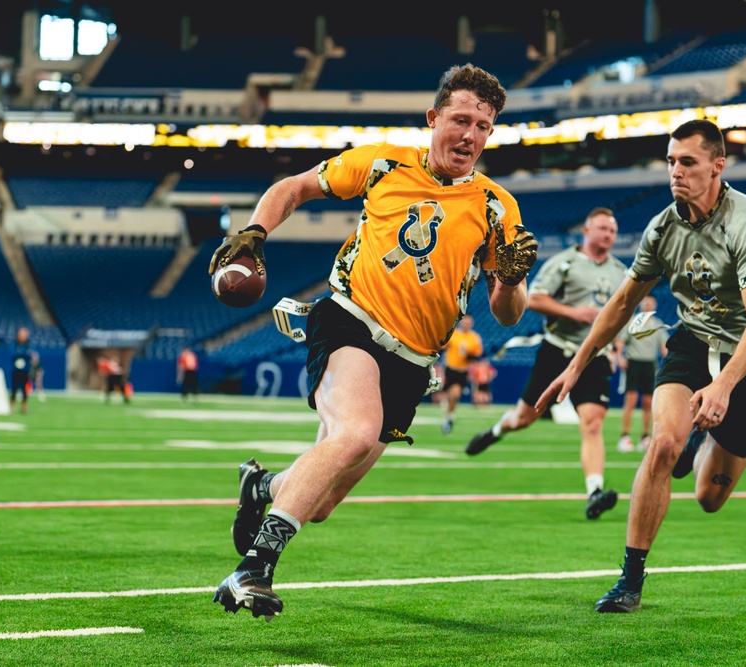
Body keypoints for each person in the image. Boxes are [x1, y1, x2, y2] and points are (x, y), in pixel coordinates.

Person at [208, 64, 537, 621]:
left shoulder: (497, 206)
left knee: (324, 502)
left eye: (483, 126)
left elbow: (508, 313)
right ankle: (254, 567)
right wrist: (255, 233)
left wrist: (508, 278)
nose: (470, 135)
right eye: (460, 119)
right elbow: (295, 187)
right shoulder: (383, 161)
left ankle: (260, 485)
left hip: (414, 361)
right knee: (356, 432)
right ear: (433, 118)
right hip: (351, 320)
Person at [537, 119, 746, 613]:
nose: (676, 171)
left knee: (708, 498)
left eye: (689, 162)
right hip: (693, 343)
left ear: (717, 167)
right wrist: (576, 364)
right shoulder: (662, 227)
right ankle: (630, 581)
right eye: (671, 161)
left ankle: (705, 439)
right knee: (662, 445)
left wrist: (724, 384)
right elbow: (620, 304)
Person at [466, 206, 626, 520]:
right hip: (556, 350)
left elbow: (621, 312)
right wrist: (573, 312)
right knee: (525, 418)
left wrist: (618, 345)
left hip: (593, 356)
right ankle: (498, 429)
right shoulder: (564, 262)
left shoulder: (620, 271)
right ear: (587, 231)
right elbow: (535, 299)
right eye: (603, 229)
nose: (608, 235)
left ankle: (594, 491)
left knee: (592, 423)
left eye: (612, 231)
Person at [615, 295, 668, 453]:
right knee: (630, 400)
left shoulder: (657, 325)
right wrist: (620, 357)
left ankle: (645, 436)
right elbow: (620, 341)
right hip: (633, 363)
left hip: (649, 364)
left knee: (648, 402)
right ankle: (625, 436)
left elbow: (664, 348)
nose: (647, 304)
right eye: (645, 301)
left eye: (651, 302)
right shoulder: (632, 322)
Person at [440, 314, 483, 433]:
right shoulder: (453, 334)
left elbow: (477, 355)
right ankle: (449, 415)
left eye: (469, 322)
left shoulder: (474, 338)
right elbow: (443, 346)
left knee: (455, 394)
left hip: (462, 371)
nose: (466, 324)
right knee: (450, 395)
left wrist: (469, 356)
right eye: (465, 322)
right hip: (450, 369)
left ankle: (449, 417)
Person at [9, 326, 36, 415]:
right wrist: (24, 355)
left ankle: (24, 407)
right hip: (16, 371)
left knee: (25, 390)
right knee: (14, 389)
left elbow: (31, 354)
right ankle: (12, 406)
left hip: (25, 371)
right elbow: (14, 354)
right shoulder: (15, 344)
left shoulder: (29, 344)